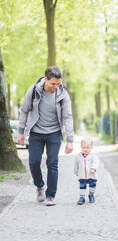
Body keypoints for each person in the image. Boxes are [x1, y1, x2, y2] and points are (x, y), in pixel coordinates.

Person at [18, 66, 73, 206]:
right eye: (53, 83)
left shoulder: (62, 93)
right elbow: (24, 111)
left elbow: (68, 116)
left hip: (54, 133)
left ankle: (50, 196)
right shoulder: (34, 90)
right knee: (34, 162)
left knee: (52, 163)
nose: (56, 86)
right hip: (36, 133)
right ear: (45, 79)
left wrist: (70, 140)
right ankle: (39, 186)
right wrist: (20, 132)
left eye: (58, 83)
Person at [74, 138, 99, 205]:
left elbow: (96, 163)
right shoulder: (78, 156)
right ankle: (82, 197)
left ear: (91, 147)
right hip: (82, 175)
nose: (85, 149)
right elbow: (76, 165)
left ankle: (91, 195)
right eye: (83, 147)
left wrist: (93, 168)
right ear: (81, 147)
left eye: (88, 147)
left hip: (91, 175)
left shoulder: (93, 156)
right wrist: (76, 172)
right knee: (82, 186)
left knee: (92, 185)